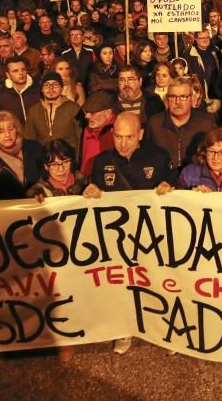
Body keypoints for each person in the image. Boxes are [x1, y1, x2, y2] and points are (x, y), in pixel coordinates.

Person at [85, 111, 173, 355]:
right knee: (123, 285)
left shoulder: (159, 157)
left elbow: (174, 189)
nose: (123, 143)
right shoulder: (102, 161)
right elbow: (95, 193)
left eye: (129, 137)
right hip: (119, 236)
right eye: (118, 137)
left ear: (141, 135)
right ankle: (124, 329)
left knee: (157, 282)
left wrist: (169, 187)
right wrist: (90, 190)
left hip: (152, 233)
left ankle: (165, 331)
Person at [144, 77, 215, 173]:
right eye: (173, 96)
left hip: (197, 182)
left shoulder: (206, 124)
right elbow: (146, 157)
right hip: (162, 182)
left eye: (183, 97)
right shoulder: (154, 124)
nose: (177, 102)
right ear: (167, 98)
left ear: (192, 98)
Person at [0, 110, 45, 199]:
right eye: (1, 132)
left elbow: (46, 176)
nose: (7, 135)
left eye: (11, 129)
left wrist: (38, 190)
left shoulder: (34, 148)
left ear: (17, 129)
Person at [24, 72, 83, 155]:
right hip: (43, 160)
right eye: (47, 85)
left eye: (55, 85)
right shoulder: (33, 111)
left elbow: (82, 137)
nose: (51, 88)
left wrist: (77, 161)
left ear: (62, 88)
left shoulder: (74, 108)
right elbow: (29, 140)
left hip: (69, 158)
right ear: (42, 89)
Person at [0, 56, 40, 123]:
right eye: (15, 71)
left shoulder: (39, 91)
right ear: (8, 75)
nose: (21, 73)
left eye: (23, 69)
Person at [79, 91, 116, 176]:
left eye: (92, 112)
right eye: (86, 111)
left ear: (108, 113)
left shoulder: (117, 131)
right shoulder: (88, 129)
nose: (87, 116)